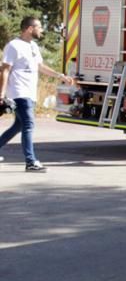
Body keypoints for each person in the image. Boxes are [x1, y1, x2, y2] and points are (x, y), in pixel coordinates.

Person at [0, 16, 75, 172]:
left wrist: (60, 76)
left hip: (30, 92)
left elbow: (40, 66)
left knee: (18, 126)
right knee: (28, 124)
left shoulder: (33, 46)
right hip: (19, 92)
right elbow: (5, 70)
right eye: (39, 27)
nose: (41, 30)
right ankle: (31, 162)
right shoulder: (13, 46)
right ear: (29, 28)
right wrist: (1, 94)